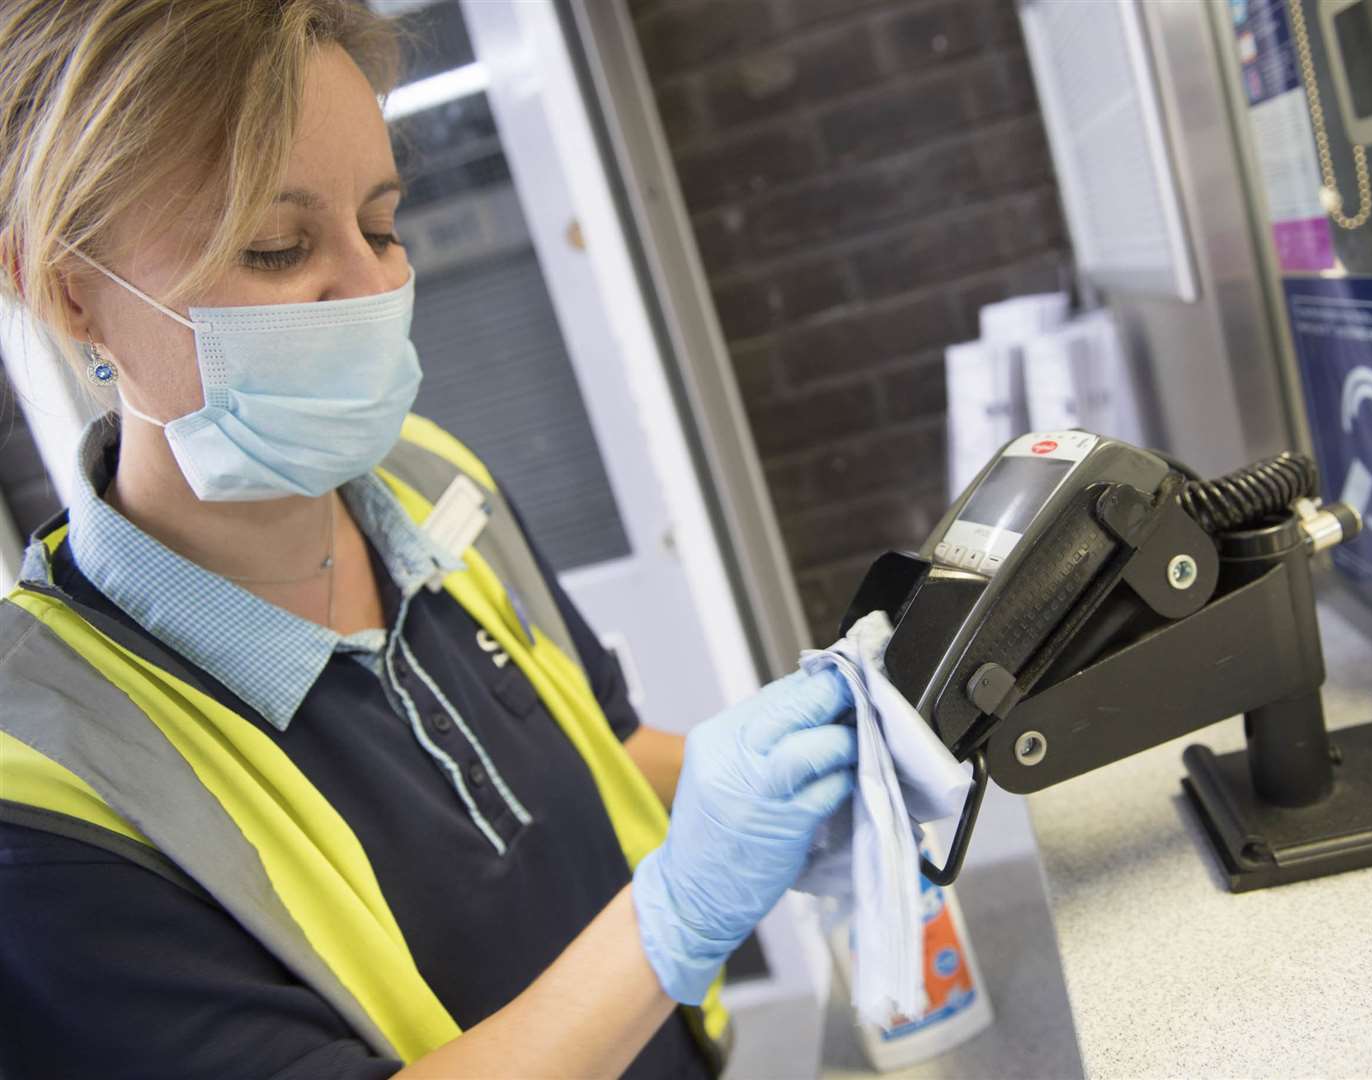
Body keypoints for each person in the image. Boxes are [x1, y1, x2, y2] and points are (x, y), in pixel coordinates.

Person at [0, 2, 857, 1077]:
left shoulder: (433, 479)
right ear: (68, 288)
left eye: (382, 224)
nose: (374, 288)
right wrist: (677, 910)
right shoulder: (39, 783)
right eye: (277, 247)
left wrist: (802, 783)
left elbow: (584, 752)